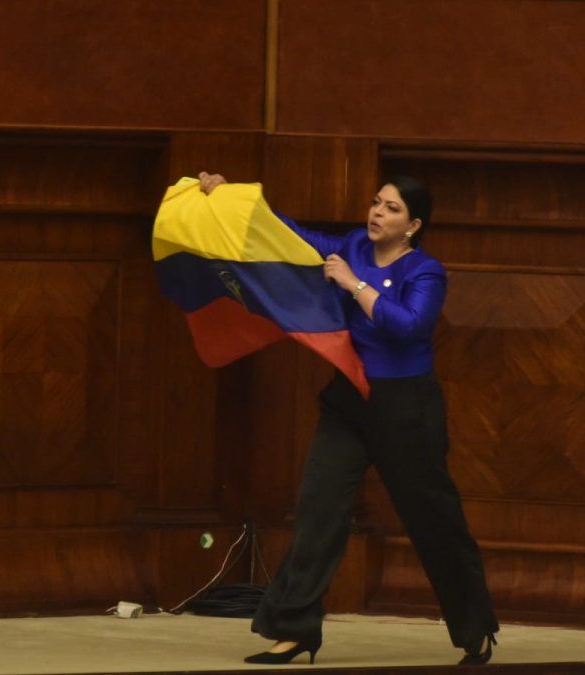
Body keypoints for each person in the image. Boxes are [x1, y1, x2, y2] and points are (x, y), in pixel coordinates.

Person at [197, 172, 499, 666]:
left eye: (392, 208)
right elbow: (288, 235)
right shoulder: (355, 245)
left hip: (405, 409)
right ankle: (295, 630)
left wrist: (354, 284)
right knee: (318, 512)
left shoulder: (425, 271)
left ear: (413, 225)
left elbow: (409, 326)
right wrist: (230, 197)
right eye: (376, 202)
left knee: (434, 522)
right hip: (349, 401)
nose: (377, 212)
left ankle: (475, 630)